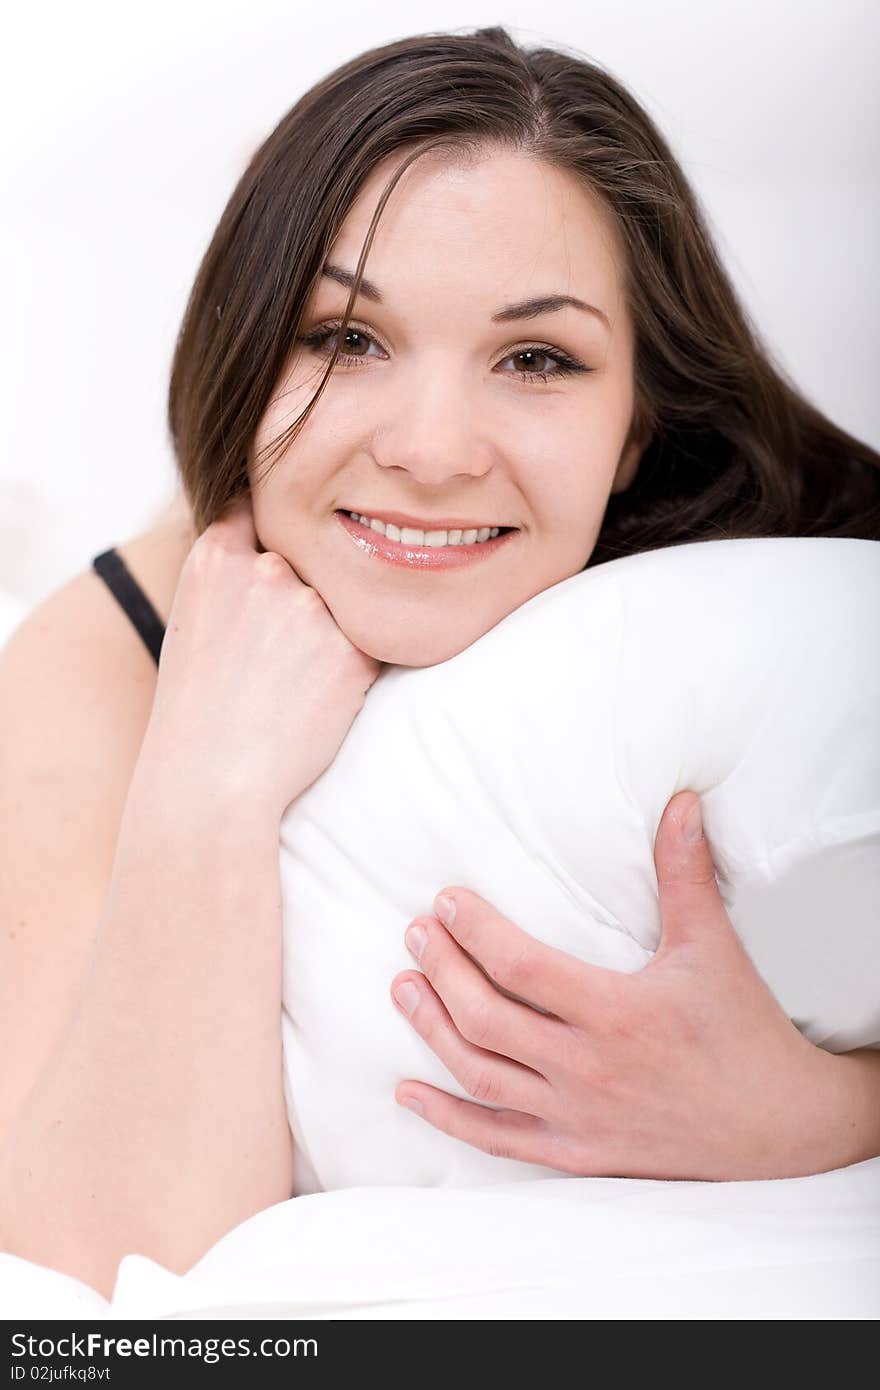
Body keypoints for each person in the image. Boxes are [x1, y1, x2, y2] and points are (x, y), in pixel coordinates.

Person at [1, 25, 878, 1302]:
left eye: (536, 359)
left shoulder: (766, 605)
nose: (431, 448)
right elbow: (99, 1278)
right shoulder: (102, 655)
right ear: (245, 358)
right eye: (346, 339)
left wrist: (817, 1112)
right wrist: (204, 781)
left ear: (639, 424)